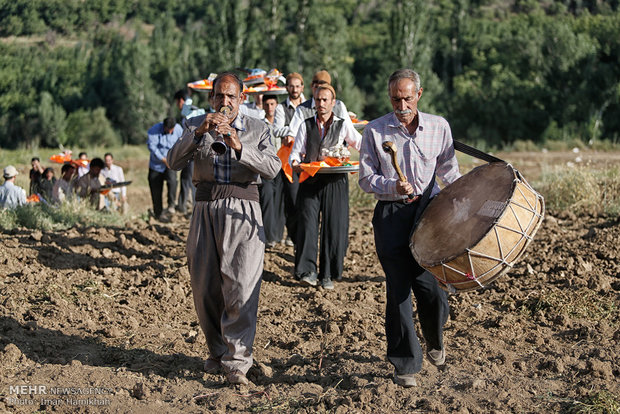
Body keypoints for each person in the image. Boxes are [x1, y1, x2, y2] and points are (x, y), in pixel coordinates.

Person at [167, 71, 281, 386]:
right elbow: (172, 162)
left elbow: (273, 168)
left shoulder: (258, 128)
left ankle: (237, 363)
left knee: (242, 286)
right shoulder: (194, 124)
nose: (224, 102)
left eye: (231, 96)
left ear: (242, 99)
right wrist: (198, 134)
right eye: (219, 95)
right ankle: (217, 351)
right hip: (204, 209)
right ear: (212, 97)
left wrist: (238, 144)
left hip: (244, 208)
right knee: (205, 287)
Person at [358, 69, 461, 387]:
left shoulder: (438, 126)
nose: (401, 104)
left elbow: (448, 168)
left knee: (430, 289)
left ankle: (435, 338)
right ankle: (405, 364)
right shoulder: (375, 131)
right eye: (395, 98)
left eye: (406, 97)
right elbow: (365, 178)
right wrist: (392, 186)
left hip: (428, 216)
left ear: (419, 94)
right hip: (391, 216)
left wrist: (458, 204)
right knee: (398, 290)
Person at [289, 84, 361, 290]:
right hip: (310, 179)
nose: (320, 104)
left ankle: (327, 274)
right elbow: (296, 152)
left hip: (335, 181)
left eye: (325, 100)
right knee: (308, 225)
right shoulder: (305, 124)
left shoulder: (342, 124)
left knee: (334, 227)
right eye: (317, 100)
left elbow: (360, 143)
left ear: (333, 102)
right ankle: (307, 271)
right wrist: (295, 164)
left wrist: (372, 157)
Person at [273, 72, 306, 247]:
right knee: (292, 199)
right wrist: (293, 132)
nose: (294, 89)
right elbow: (277, 130)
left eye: (297, 86)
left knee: (307, 199)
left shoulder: (310, 105)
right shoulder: (281, 108)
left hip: (308, 158)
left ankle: (304, 233)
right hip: (289, 160)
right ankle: (292, 233)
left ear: (302, 87)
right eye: (291, 86)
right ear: (287, 88)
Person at [259, 94, 286, 247]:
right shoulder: (260, 125)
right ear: (263, 106)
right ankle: (269, 236)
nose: (270, 108)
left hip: (282, 166)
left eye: (273, 104)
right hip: (266, 166)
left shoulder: (281, 124)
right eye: (267, 104)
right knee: (267, 196)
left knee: (280, 200)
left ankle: (278, 234)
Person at [174, 88, 206, 214]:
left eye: (178, 102)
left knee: (189, 180)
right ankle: (184, 206)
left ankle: (191, 208)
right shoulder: (194, 111)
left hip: (192, 151)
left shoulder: (190, 112)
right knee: (186, 178)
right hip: (190, 150)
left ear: (181, 101)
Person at [147, 117, 182, 220]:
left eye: (172, 130)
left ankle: (171, 206)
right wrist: (163, 159)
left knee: (173, 182)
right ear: (164, 126)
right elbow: (152, 147)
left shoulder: (179, 129)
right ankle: (158, 213)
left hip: (171, 162)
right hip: (156, 165)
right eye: (168, 129)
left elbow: (182, 143)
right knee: (156, 189)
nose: (170, 131)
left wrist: (175, 158)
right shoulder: (154, 130)